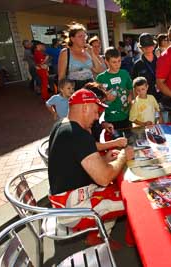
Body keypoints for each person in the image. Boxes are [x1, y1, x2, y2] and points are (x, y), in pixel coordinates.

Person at [47, 88, 134, 234]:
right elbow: (104, 178)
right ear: (85, 107)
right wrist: (123, 156)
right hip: (73, 211)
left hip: (63, 201)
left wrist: (105, 159)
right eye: (95, 112)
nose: (96, 117)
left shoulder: (62, 124)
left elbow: (77, 162)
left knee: (120, 189)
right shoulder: (79, 135)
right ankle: (105, 236)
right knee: (132, 199)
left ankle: (101, 234)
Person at [96, 47, 133, 131]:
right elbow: (97, 99)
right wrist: (105, 98)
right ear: (106, 62)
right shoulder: (101, 78)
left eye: (119, 61)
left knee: (128, 139)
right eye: (114, 62)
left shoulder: (125, 73)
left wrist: (130, 95)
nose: (117, 64)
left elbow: (130, 88)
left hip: (126, 115)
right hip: (110, 118)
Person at [58, 22, 103, 90]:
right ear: (72, 39)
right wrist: (64, 94)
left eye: (85, 36)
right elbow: (61, 77)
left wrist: (92, 53)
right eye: (80, 36)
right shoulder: (65, 52)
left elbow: (99, 70)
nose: (84, 38)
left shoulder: (88, 51)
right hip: (73, 88)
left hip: (90, 87)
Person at [132, 33, 162, 102]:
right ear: (141, 48)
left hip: (162, 99)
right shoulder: (137, 65)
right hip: (145, 101)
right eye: (145, 46)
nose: (147, 48)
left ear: (154, 46)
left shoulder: (161, 61)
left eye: (149, 45)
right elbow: (134, 86)